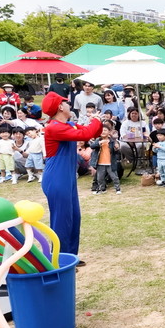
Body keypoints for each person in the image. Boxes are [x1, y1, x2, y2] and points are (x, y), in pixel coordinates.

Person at [41, 91, 102, 261]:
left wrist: (97, 121)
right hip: (56, 179)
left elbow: (92, 132)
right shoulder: (54, 127)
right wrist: (96, 120)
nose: (69, 105)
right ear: (60, 107)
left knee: (74, 218)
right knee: (61, 222)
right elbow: (85, 134)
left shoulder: (67, 125)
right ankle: (59, 261)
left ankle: (70, 258)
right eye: (66, 102)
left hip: (67, 179)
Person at [89, 123, 122, 194]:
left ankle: (118, 189)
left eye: (105, 130)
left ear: (109, 132)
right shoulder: (98, 140)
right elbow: (92, 146)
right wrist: (99, 143)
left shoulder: (112, 141)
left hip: (110, 162)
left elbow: (116, 152)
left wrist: (116, 148)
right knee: (100, 178)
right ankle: (102, 189)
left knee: (114, 177)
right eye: (101, 130)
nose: (103, 132)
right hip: (100, 162)